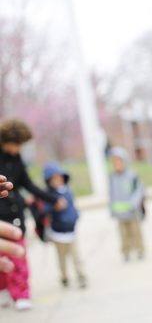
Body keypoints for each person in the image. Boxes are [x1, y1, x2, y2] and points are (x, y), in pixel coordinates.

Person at [0, 119, 67, 311]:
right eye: (17, 144)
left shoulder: (17, 159)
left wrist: (52, 199)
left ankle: (21, 293)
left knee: (18, 258)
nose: (18, 148)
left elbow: (29, 185)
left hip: (14, 216)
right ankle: (3, 291)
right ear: (7, 140)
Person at [42, 162, 87, 289]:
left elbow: (72, 207)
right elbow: (44, 210)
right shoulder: (49, 196)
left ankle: (81, 275)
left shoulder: (68, 192)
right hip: (58, 232)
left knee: (76, 256)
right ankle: (64, 277)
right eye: (54, 178)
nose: (57, 181)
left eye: (59, 177)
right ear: (49, 181)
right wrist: (54, 207)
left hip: (71, 230)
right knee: (61, 258)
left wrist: (76, 217)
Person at [108, 147, 145, 262]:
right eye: (114, 162)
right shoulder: (112, 177)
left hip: (132, 211)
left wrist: (133, 203)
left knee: (135, 232)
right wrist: (112, 210)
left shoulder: (132, 175)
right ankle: (126, 252)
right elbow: (111, 194)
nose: (117, 164)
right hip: (119, 213)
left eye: (119, 161)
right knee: (123, 234)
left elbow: (139, 190)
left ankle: (140, 249)